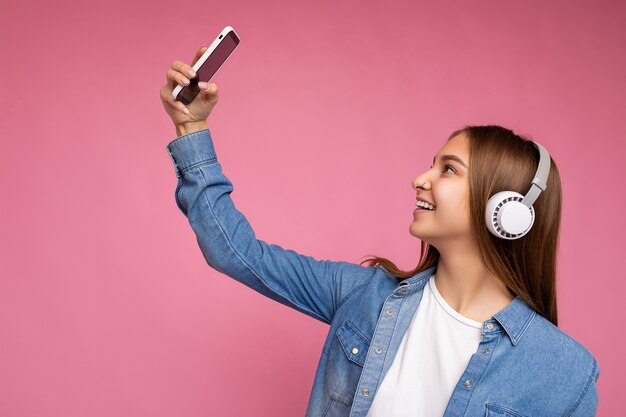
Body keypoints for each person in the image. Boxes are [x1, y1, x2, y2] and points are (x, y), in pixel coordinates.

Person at [159, 46, 600, 417]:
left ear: (507, 210)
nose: (420, 178)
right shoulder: (364, 294)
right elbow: (237, 253)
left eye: (448, 169)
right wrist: (191, 127)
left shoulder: (566, 373)